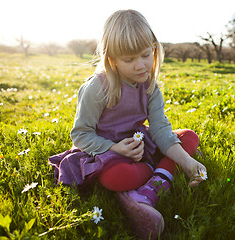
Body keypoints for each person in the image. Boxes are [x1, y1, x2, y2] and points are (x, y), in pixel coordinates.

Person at [48, 9, 207, 239]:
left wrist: (187, 161)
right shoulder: (97, 88)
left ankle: (147, 188)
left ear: (154, 49)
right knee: (116, 175)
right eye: (129, 59)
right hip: (104, 151)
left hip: (138, 145)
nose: (141, 65)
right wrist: (114, 148)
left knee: (189, 137)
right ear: (111, 59)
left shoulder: (150, 86)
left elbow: (161, 129)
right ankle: (158, 176)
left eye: (145, 55)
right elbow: (80, 135)